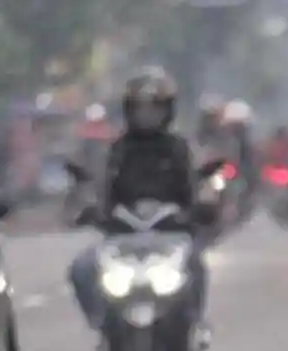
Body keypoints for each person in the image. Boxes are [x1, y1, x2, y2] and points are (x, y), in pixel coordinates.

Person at [66, 67, 209, 329]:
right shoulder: (117, 150)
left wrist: (200, 209)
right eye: (140, 108)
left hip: (171, 234)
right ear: (128, 110)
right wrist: (90, 208)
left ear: (167, 110)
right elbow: (100, 186)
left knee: (196, 268)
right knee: (82, 269)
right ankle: (103, 325)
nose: (147, 115)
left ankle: (193, 327)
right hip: (122, 236)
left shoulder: (179, 148)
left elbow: (196, 188)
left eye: (154, 108)